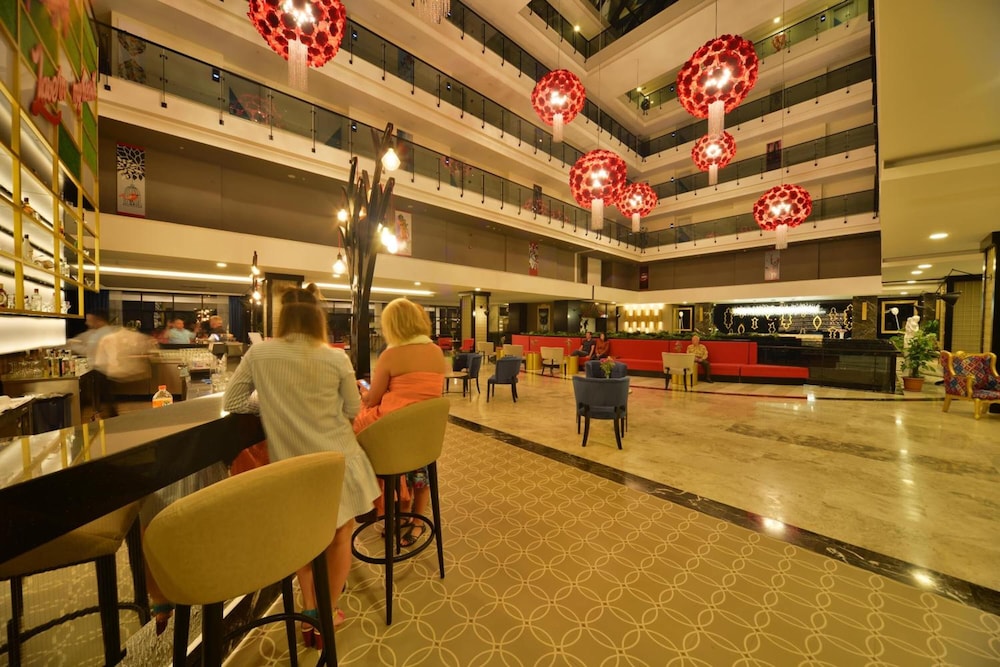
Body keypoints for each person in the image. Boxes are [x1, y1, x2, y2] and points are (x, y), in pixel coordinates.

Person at [223, 288, 381, 637]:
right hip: (337, 460)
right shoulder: (335, 357)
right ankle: (328, 613)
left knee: (303, 538)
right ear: (317, 319)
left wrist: (272, 404)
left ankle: (309, 606)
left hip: (291, 467)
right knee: (339, 535)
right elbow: (352, 409)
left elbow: (233, 401)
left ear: (283, 318)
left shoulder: (260, 353)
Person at [353, 297, 445, 547]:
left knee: (354, 428)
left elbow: (373, 399)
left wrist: (363, 391)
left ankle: (383, 504)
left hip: (394, 432)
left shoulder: (391, 354)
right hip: (426, 433)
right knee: (419, 468)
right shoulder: (436, 351)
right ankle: (415, 520)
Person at [68, 310, 119, 418]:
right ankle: (104, 415)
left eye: (89, 320)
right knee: (106, 397)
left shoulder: (104, 334)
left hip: (103, 369)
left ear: (98, 320)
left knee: (106, 397)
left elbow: (91, 351)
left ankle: (108, 417)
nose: (87, 323)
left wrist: (73, 345)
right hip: (101, 368)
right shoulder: (98, 333)